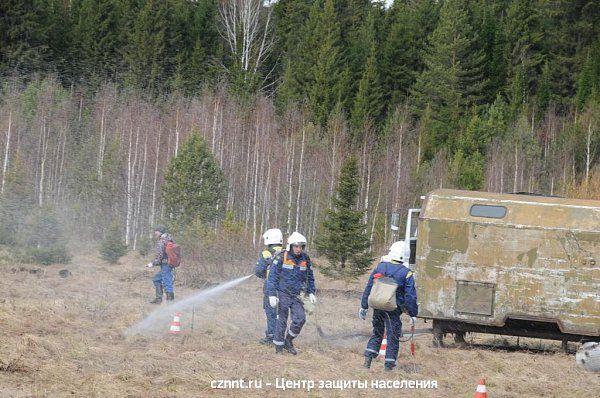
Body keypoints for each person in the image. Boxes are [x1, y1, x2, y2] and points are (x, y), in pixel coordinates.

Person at [359, 241, 418, 371]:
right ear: (406, 256)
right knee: (392, 337)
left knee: (377, 333)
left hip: (378, 307)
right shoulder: (407, 273)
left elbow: (369, 286)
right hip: (394, 310)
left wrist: (364, 306)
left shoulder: (380, 267)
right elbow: (410, 296)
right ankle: (389, 366)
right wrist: (413, 314)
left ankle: (367, 360)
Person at [266, 232, 316, 355]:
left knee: (300, 319)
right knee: (281, 320)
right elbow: (272, 277)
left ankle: (288, 340)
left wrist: (311, 292)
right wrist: (271, 295)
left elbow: (310, 277)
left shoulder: (305, 259)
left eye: (301, 246)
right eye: (296, 246)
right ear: (290, 246)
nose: (299, 249)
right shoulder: (281, 257)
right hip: (282, 293)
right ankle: (278, 347)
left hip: (297, 295)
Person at [254, 228, 284, 345]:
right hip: (285, 289)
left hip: (271, 288)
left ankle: (271, 338)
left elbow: (259, 270)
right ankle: (280, 337)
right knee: (281, 314)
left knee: (271, 312)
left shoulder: (266, 253)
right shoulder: (286, 253)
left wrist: (264, 275)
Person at [147, 225, 175, 304]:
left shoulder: (162, 241)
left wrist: (152, 264)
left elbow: (160, 256)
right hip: (169, 264)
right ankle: (158, 299)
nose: (155, 233)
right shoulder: (169, 239)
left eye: (156, 231)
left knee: (167, 283)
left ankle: (170, 304)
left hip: (166, 265)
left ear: (160, 232)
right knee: (156, 279)